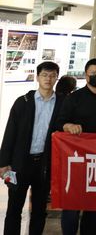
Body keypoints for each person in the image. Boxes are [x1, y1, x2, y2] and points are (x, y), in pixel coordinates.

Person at [0, 61, 64, 235]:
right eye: (44, 75)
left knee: (39, 209)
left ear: (56, 78)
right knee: (14, 208)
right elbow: (10, 133)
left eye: (52, 76)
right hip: (20, 163)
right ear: (37, 77)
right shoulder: (23, 102)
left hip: (44, 164)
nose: (48, 79)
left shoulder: (61, 103)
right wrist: (3, 163)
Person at [54, 57, 96, 235]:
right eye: (93, 72)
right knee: (72, 207)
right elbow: (60, 122)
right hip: (77, 159)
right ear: (86, 75)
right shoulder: (74, 98)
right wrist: (68, 126)